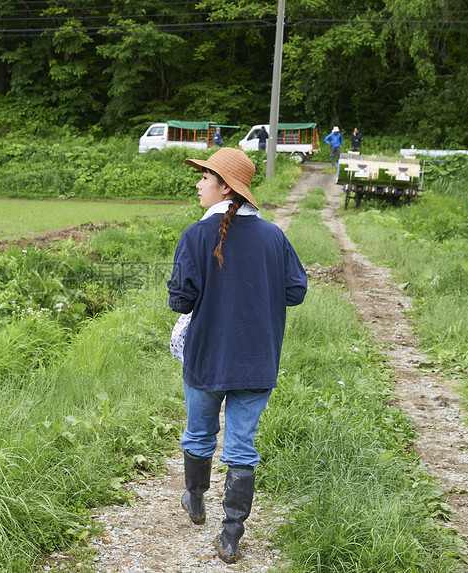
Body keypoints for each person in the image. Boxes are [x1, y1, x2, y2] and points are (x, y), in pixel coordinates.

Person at [167, 147, 308, 563]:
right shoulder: (274, 236)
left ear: (225, 187)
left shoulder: (195, 235)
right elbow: (295, 291)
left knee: (198, 433)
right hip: (256, 358)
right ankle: (231, 534)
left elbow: (180, 300)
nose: (198, 183)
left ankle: (195, 500)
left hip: (207, 355)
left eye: (204, 177)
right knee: (242, 446)